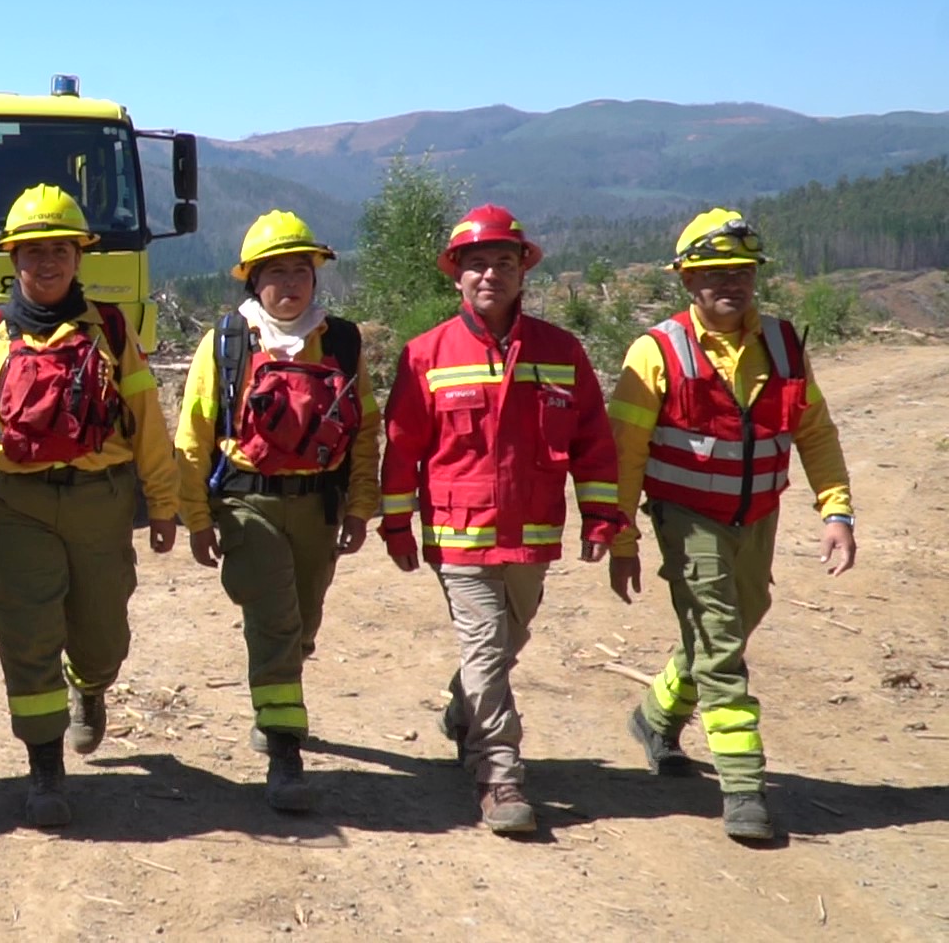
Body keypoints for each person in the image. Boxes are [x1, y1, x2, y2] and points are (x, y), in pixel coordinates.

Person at [0, 183, 180, 828]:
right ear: (13, 258)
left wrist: (163, 502)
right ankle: (45, 769)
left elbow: (147, 419)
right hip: (14, 504)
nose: (47, 263)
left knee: (102, 640)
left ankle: (88, 687)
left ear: (78, 256)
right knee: (26, 636)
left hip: (101, 500)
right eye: (33, 251)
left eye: (59, 250)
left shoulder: (112, 330)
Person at [609, 208, 856, 842]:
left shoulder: (782, 343)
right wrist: (621, 538)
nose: (732, 283)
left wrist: (837, 509)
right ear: (687, 281)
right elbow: (625, 454)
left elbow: (815, 432)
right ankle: (744, 786)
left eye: (742, 271)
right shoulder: (657, 350)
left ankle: (656, 714)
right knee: (721, 646)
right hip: (686, 517)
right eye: (715, 272)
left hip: (758, 516)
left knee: (739, 618)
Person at [377, 204, 622, 835]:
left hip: (533, 536)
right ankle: (499, 776)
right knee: (486, 650)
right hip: (458, 539)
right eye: (477, 264)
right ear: (456, 276)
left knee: (505, 646)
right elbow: (403, 448)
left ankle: (464, 713)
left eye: (503, 263)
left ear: (523, 272)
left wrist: (601, 515)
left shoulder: (562, 351)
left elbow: (594, 441)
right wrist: (396, 525)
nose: (490, 274)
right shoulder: (426, 354)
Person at [173, 211, 380, 813]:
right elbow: (194, 435)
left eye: (301, 271)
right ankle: (286, 755)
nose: (290, 284)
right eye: (276, 273)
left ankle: (276, 693)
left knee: (302, 625)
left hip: (317, 505)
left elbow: (363, 430)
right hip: (247, 504)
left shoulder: (342, 341)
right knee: (276, 624)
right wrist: (197, 516)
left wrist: (360, 506)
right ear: (252, 282)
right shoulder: (226, 343)